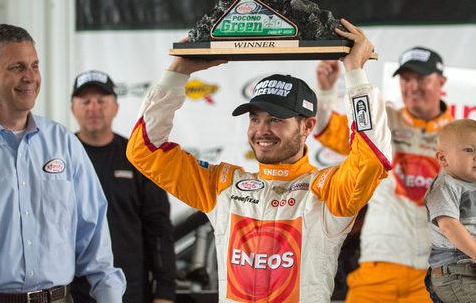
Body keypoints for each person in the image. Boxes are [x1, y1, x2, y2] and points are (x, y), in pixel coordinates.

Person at [126, 19, 392, 302]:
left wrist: (355, 74)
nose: (261, 130)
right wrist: (178, 71)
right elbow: (144, 149)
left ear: (307, 126)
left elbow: (373, 158)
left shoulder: (326, 191)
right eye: (255, 119)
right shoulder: (223, 186)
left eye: (276, 119)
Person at [0, 24, 125, 302]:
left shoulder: (62, 142)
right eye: (17, 67)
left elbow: (94, 236)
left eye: (34, 66)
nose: (30, 77)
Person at [315, 46, 452, 302]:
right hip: (378, 264)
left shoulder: (460, 134)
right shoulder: (383, 120)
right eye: (406, 78)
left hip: (434, 271)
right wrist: (326, 90)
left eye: (422, 78)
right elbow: (325, 129)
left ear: (441, 81)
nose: (413, 86)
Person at [69, 70, 176, 303]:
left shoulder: (138, 158)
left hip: (130, 291)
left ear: (115, 108)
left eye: (101, 101)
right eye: (85, 101)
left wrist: (165, 292)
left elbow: (159, 229)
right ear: (73, 109)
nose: (93, 107)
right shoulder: (59, 157)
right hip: (71, 293)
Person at [425, 119, 476, 303]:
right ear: (443, 158)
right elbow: (449, 226)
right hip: (456, 273)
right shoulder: (445, 186)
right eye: (469, 150)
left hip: (471, 272)